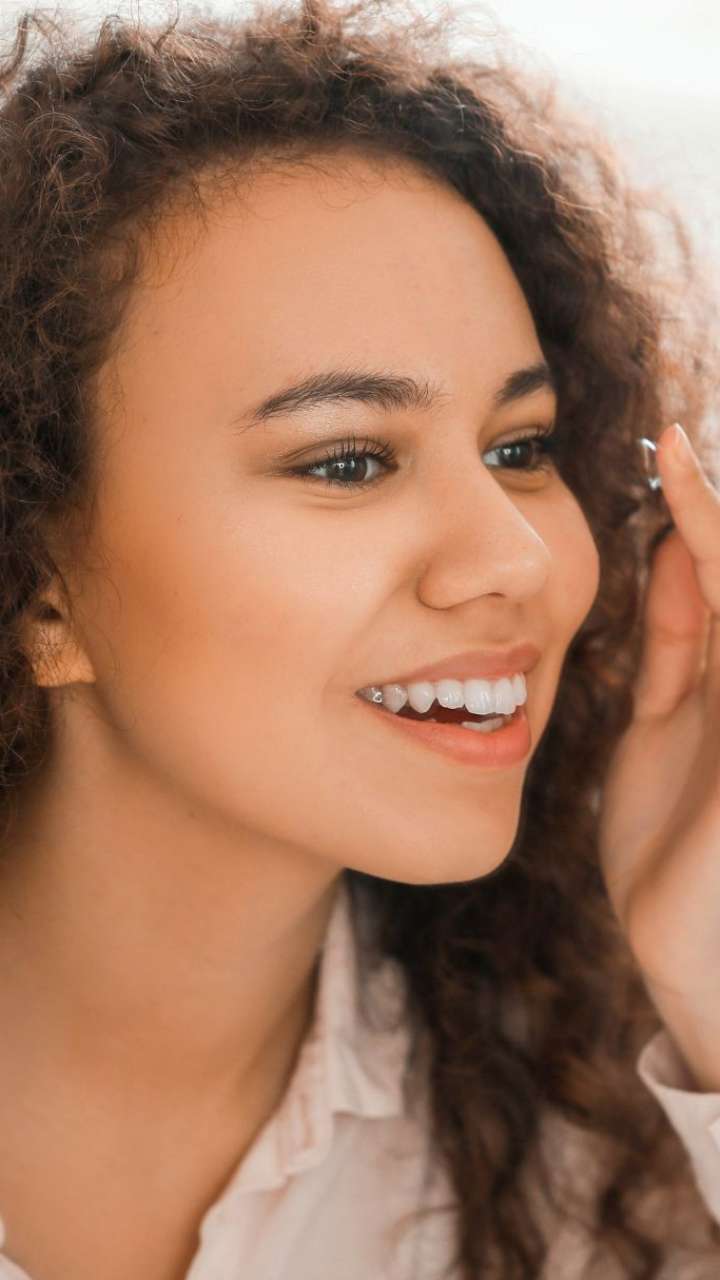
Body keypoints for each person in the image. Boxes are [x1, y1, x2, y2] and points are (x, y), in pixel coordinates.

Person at [0, 0, 718, 1276]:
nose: (518, 556)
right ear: (38, 586)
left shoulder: (590, 1132)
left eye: (522, 447)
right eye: (347, 461)